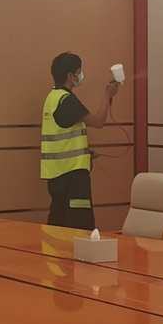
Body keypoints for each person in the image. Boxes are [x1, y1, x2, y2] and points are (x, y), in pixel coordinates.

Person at [41, 52, 121, 230]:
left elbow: (62, 132)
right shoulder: (67, 100)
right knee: (79, 224)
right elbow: (98, 122)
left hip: (56, 175)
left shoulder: (52, 98)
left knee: (58, 223)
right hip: (73, 176)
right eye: (79, 72)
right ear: (71, 75)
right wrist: (107, 95)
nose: (81, 75)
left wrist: (84, 150)